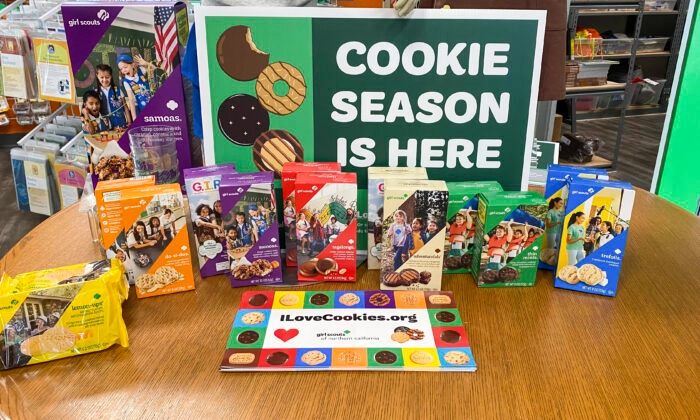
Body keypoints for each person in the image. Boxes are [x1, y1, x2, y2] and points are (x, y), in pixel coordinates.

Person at [118, 54, 153, 120]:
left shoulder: (140, 71)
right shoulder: (126, 81)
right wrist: (134, 118)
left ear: (132, 65)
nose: (123, 70)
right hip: (139, 107)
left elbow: (154, 69)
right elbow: (131, 100)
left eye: (125, 67)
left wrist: (146, 63)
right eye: (121, 69)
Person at [94, 64, 129, 129]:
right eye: (101, 77)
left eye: (107, 77)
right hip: (105, 126)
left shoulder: (118, 90)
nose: (104, 80)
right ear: (97, 76)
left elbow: (125, 107)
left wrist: (129, 122)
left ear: (111, 76)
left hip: (120, 125)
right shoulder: (95, 92)